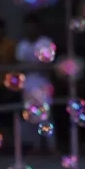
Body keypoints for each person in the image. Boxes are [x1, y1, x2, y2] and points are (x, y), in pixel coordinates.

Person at [15, 15, 57, 154]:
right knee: (31, 114)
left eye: (33, 26)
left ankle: (51, 146)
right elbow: (20, 65)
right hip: (28, 83)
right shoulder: (22, 45)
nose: (30, 29)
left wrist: (36, 65)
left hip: (43, 82)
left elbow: (48, 63)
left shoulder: (45, 42)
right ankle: (36, 146)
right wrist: (34, 65)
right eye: (28, 26)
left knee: (46, 113)